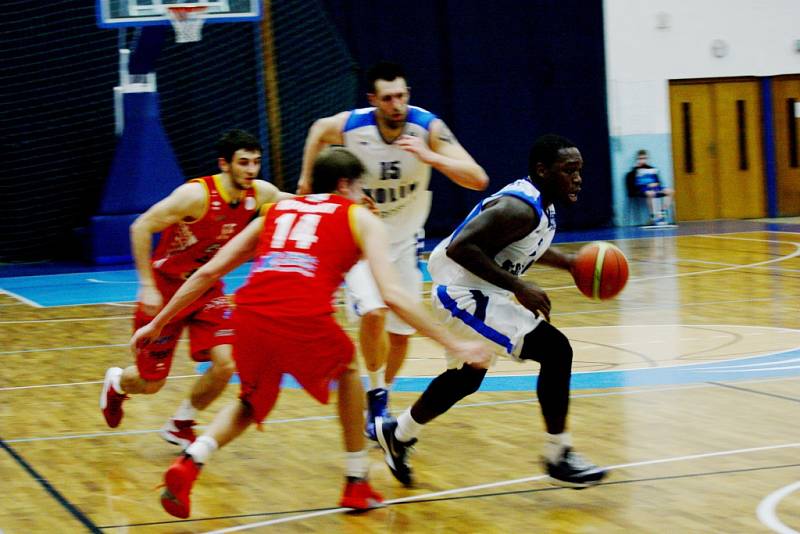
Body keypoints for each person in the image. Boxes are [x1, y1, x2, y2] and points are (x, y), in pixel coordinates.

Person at [131, 147, 492, 517]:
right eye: (359, 187)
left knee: (250, 403)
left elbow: (209, 273)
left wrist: (158, 323)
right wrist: (454, 343)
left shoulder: (274, 211)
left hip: (251, 313)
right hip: (302, 314)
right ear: (344, 184)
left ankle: (191, 462)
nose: (364, 195)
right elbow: (393, 294)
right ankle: (356, 482)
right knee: (350, 371)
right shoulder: (358, 216)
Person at [375, 134, 607, 489]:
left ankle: (398, 433)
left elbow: (524, 244)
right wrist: (520, 287)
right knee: (556, 350)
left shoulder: (541, 206)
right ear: (543, 171)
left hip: (481, 291)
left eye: (580, 171)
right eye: (568, 170)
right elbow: (459, 247)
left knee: (469, 374)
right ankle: (559, 454)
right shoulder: (520, 207)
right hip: (462, 292)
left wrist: (571, 264)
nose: (577, 178)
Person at [296, 61, 489, 440]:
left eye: (402, 95)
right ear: (373, 101)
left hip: (403, 239)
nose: (397, 104)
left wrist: (430, 156)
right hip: (356, 235)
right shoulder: (353, 126)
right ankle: (378, 397)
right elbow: (319, 129)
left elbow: (478, 178)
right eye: (388, 98)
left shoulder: (427, 127)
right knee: (374, 309)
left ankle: (379, 395)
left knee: (400, 335)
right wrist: (307, 181)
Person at [100, 129, 291, 448]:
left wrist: (348, 204)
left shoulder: (260, 193)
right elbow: (141, 226)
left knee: (227, 363)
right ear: (224, 164)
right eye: (243, 163)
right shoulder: (195, 196)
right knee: (150, 382)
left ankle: (181, 423)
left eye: (256, 163)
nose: (251, 170)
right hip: (167, 288)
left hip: (206, 289)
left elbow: (304, 204)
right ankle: (118, 383)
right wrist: (147, 285)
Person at [625, 149, 674, 225]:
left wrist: (655, 184)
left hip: (655, 188)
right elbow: (633, 186)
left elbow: (658, 182)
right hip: (642, 189)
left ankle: (662, 213)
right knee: (650, 193)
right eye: (640, 159)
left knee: (670, 191)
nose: (642, 161)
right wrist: (647, 185)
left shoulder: (652, 169)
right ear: (637, 159)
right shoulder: (633, 172)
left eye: (644, 158)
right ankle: (653, 217)